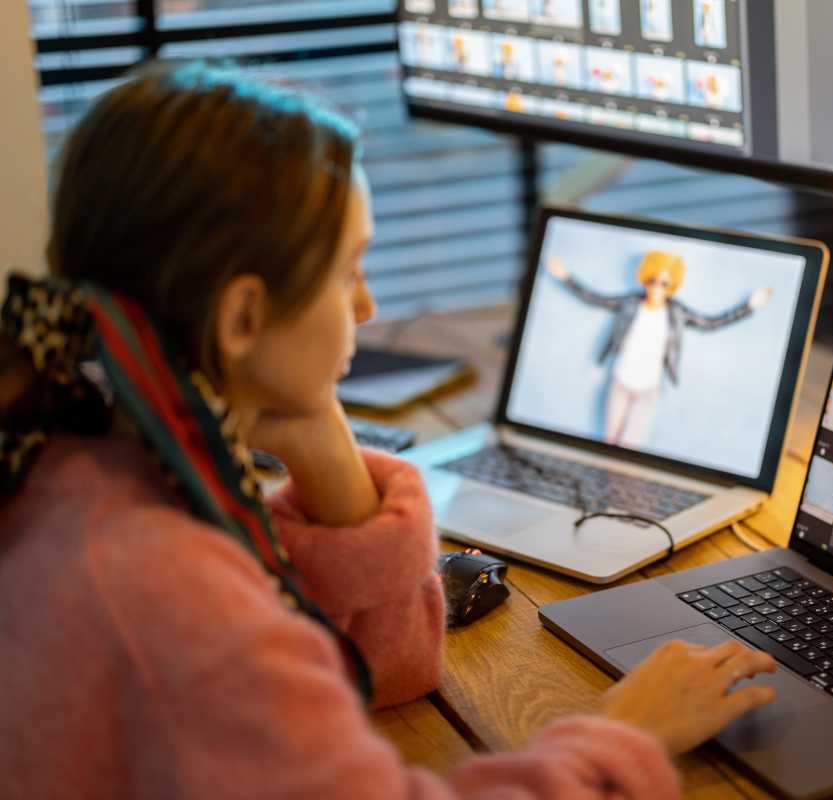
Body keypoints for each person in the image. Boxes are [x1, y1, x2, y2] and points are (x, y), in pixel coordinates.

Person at [0, 63, 779, 800]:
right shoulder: (172, 592)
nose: (368, 308)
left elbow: (379, 669)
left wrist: (319, 433)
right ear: (242, 317)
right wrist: (623, 732)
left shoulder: (82, 459)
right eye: (349, 272)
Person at [545, 253, 772, 448]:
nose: (656, 288)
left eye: (664, 284)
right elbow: (595, 299)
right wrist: (565, 277)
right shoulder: (630, 302)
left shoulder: (677, 312)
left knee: (629, 447)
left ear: (671, 287)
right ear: (645, 280)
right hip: (620, 382)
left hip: (648, 390)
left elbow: (711, 323)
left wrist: (749, 307)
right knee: (609, 443)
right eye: (652, 281)